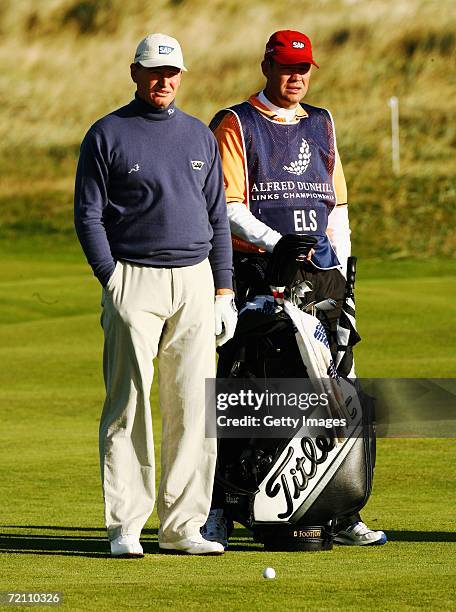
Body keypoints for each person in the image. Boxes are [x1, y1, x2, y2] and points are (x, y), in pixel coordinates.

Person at [202, 29, 386, 547]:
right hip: (261, 274)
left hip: (321, 276)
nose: (296, 78)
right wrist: (279, 243)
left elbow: (338, 207)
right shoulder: (236, 123)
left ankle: (341, 510)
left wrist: (345, 271)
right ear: (267, 67)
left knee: (335, 391)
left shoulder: (323, 123)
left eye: (303, 69)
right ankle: (222, 506)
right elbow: (229, 206)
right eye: (286, 68)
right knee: (245, 390)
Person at [74, 33, 237, 557]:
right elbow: (89, 214)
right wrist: (112, 279)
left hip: (194, 279)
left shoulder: (198, 135)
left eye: (172, 73)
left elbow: (216, 215)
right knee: (128, 404)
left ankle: (183, 527)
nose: (163, 81)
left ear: (181, 76)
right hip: (133, 280)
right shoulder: (107, 134)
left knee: (193, 406)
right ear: (135, 73)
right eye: (154, 72)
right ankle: (125, 525)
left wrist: (224, 288)